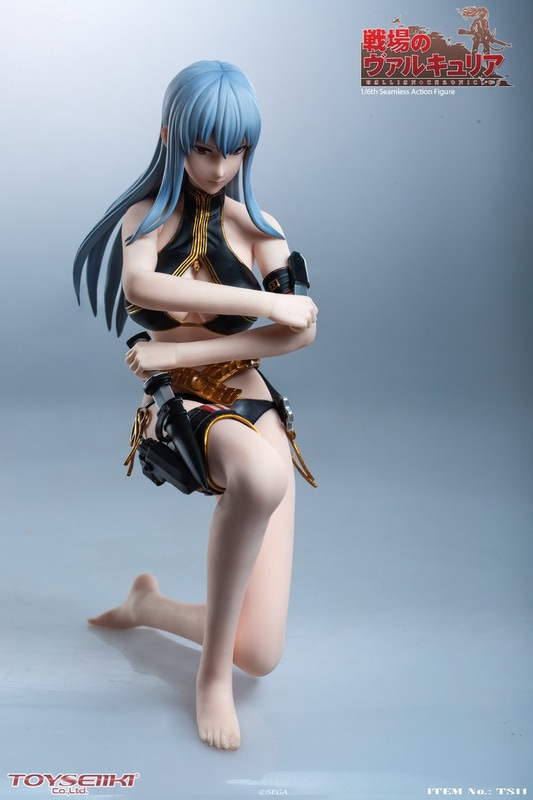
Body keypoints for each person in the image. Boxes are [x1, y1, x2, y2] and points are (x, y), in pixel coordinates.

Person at [73, 60, 317, 751]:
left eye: (235, 150)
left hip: (251, 401)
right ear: (170, 137)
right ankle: (210, 680)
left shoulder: (260, 229)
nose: (218, 168)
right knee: (260, 479)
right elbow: (143, 287)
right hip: (181, 409)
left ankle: (147, 605)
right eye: (203, 148)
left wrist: (181, 352)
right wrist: (262, 301)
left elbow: (303, 330)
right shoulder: (145, 221)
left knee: (259, 653)